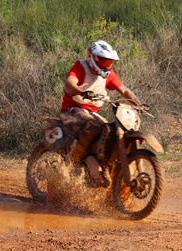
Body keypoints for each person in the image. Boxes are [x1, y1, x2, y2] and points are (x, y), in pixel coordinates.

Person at [60, 40, 144, 186]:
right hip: (71, 110)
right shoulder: (80, 66)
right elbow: (69, 83)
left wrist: (139, 103)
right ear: (93, 58)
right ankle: (72, 161)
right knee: (93, 127)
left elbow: (124, 90)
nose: (107, 66)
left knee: (108, 131)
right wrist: (82, 92)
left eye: (109, 63)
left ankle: (98, 164)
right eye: (104, 62)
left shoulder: (108, 74)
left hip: (91, 113)